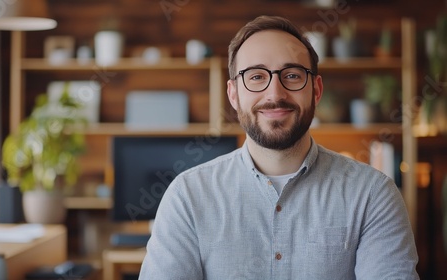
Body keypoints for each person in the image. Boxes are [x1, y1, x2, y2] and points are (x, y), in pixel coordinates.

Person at [139, 15, 419, 279]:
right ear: (234, 94)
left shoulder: (372, 194)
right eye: (257, 76)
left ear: (316, 90)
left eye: (293, 75)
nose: (275, 94)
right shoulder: (188, 196)